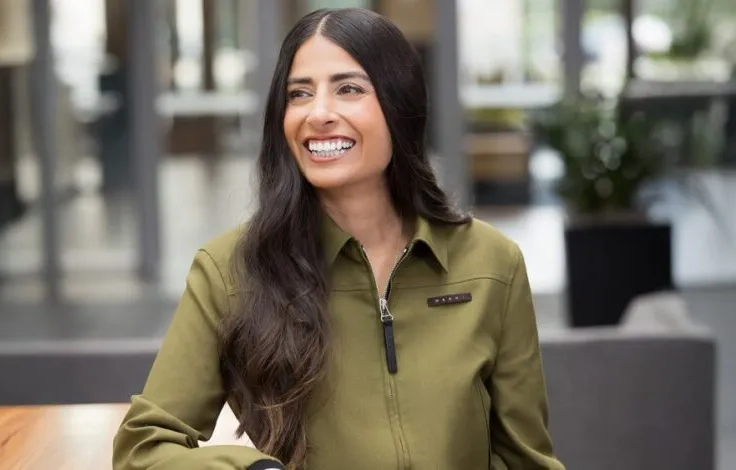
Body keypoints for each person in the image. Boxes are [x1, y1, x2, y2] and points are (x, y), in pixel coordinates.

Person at [113, 7, 564, 470]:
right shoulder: (231, 270)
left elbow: (525, 459)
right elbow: (144, 449)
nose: (319, 113)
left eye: (349, 89)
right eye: (299, 93)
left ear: (398, 105)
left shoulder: (491, 263)